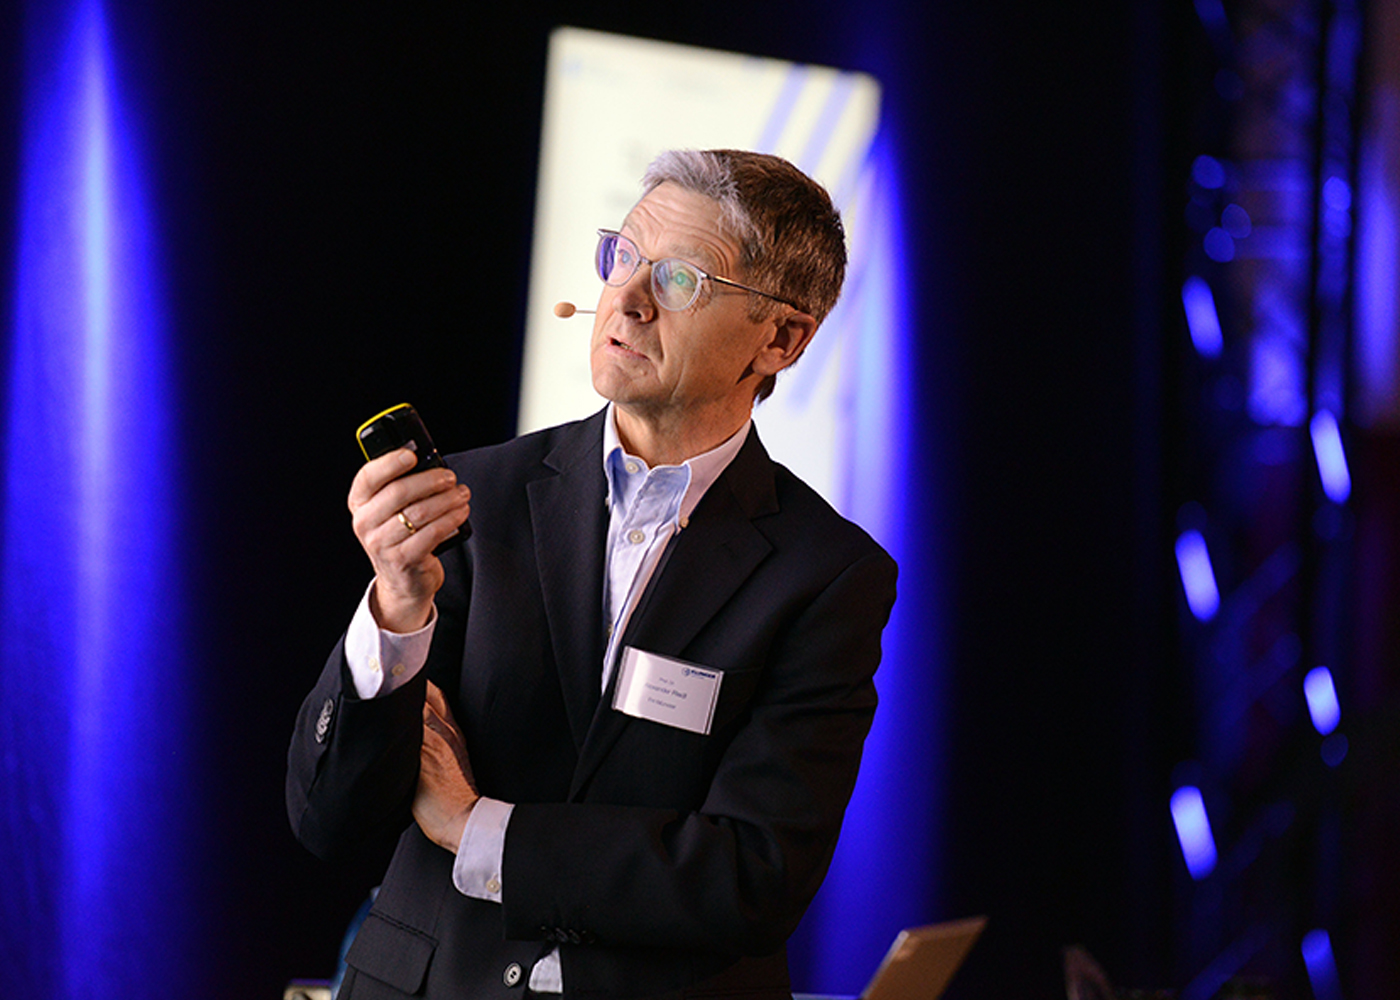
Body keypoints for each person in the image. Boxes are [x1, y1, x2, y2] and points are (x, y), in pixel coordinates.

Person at [287, 149, 898, 1000]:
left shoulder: (827, 574)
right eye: (623, 255)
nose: (628, 299)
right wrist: (395, 610)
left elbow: (748, 876)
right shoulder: (474, 498)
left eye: (680, 279)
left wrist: (476, 829)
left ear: (781, 340)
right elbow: (328, 818)